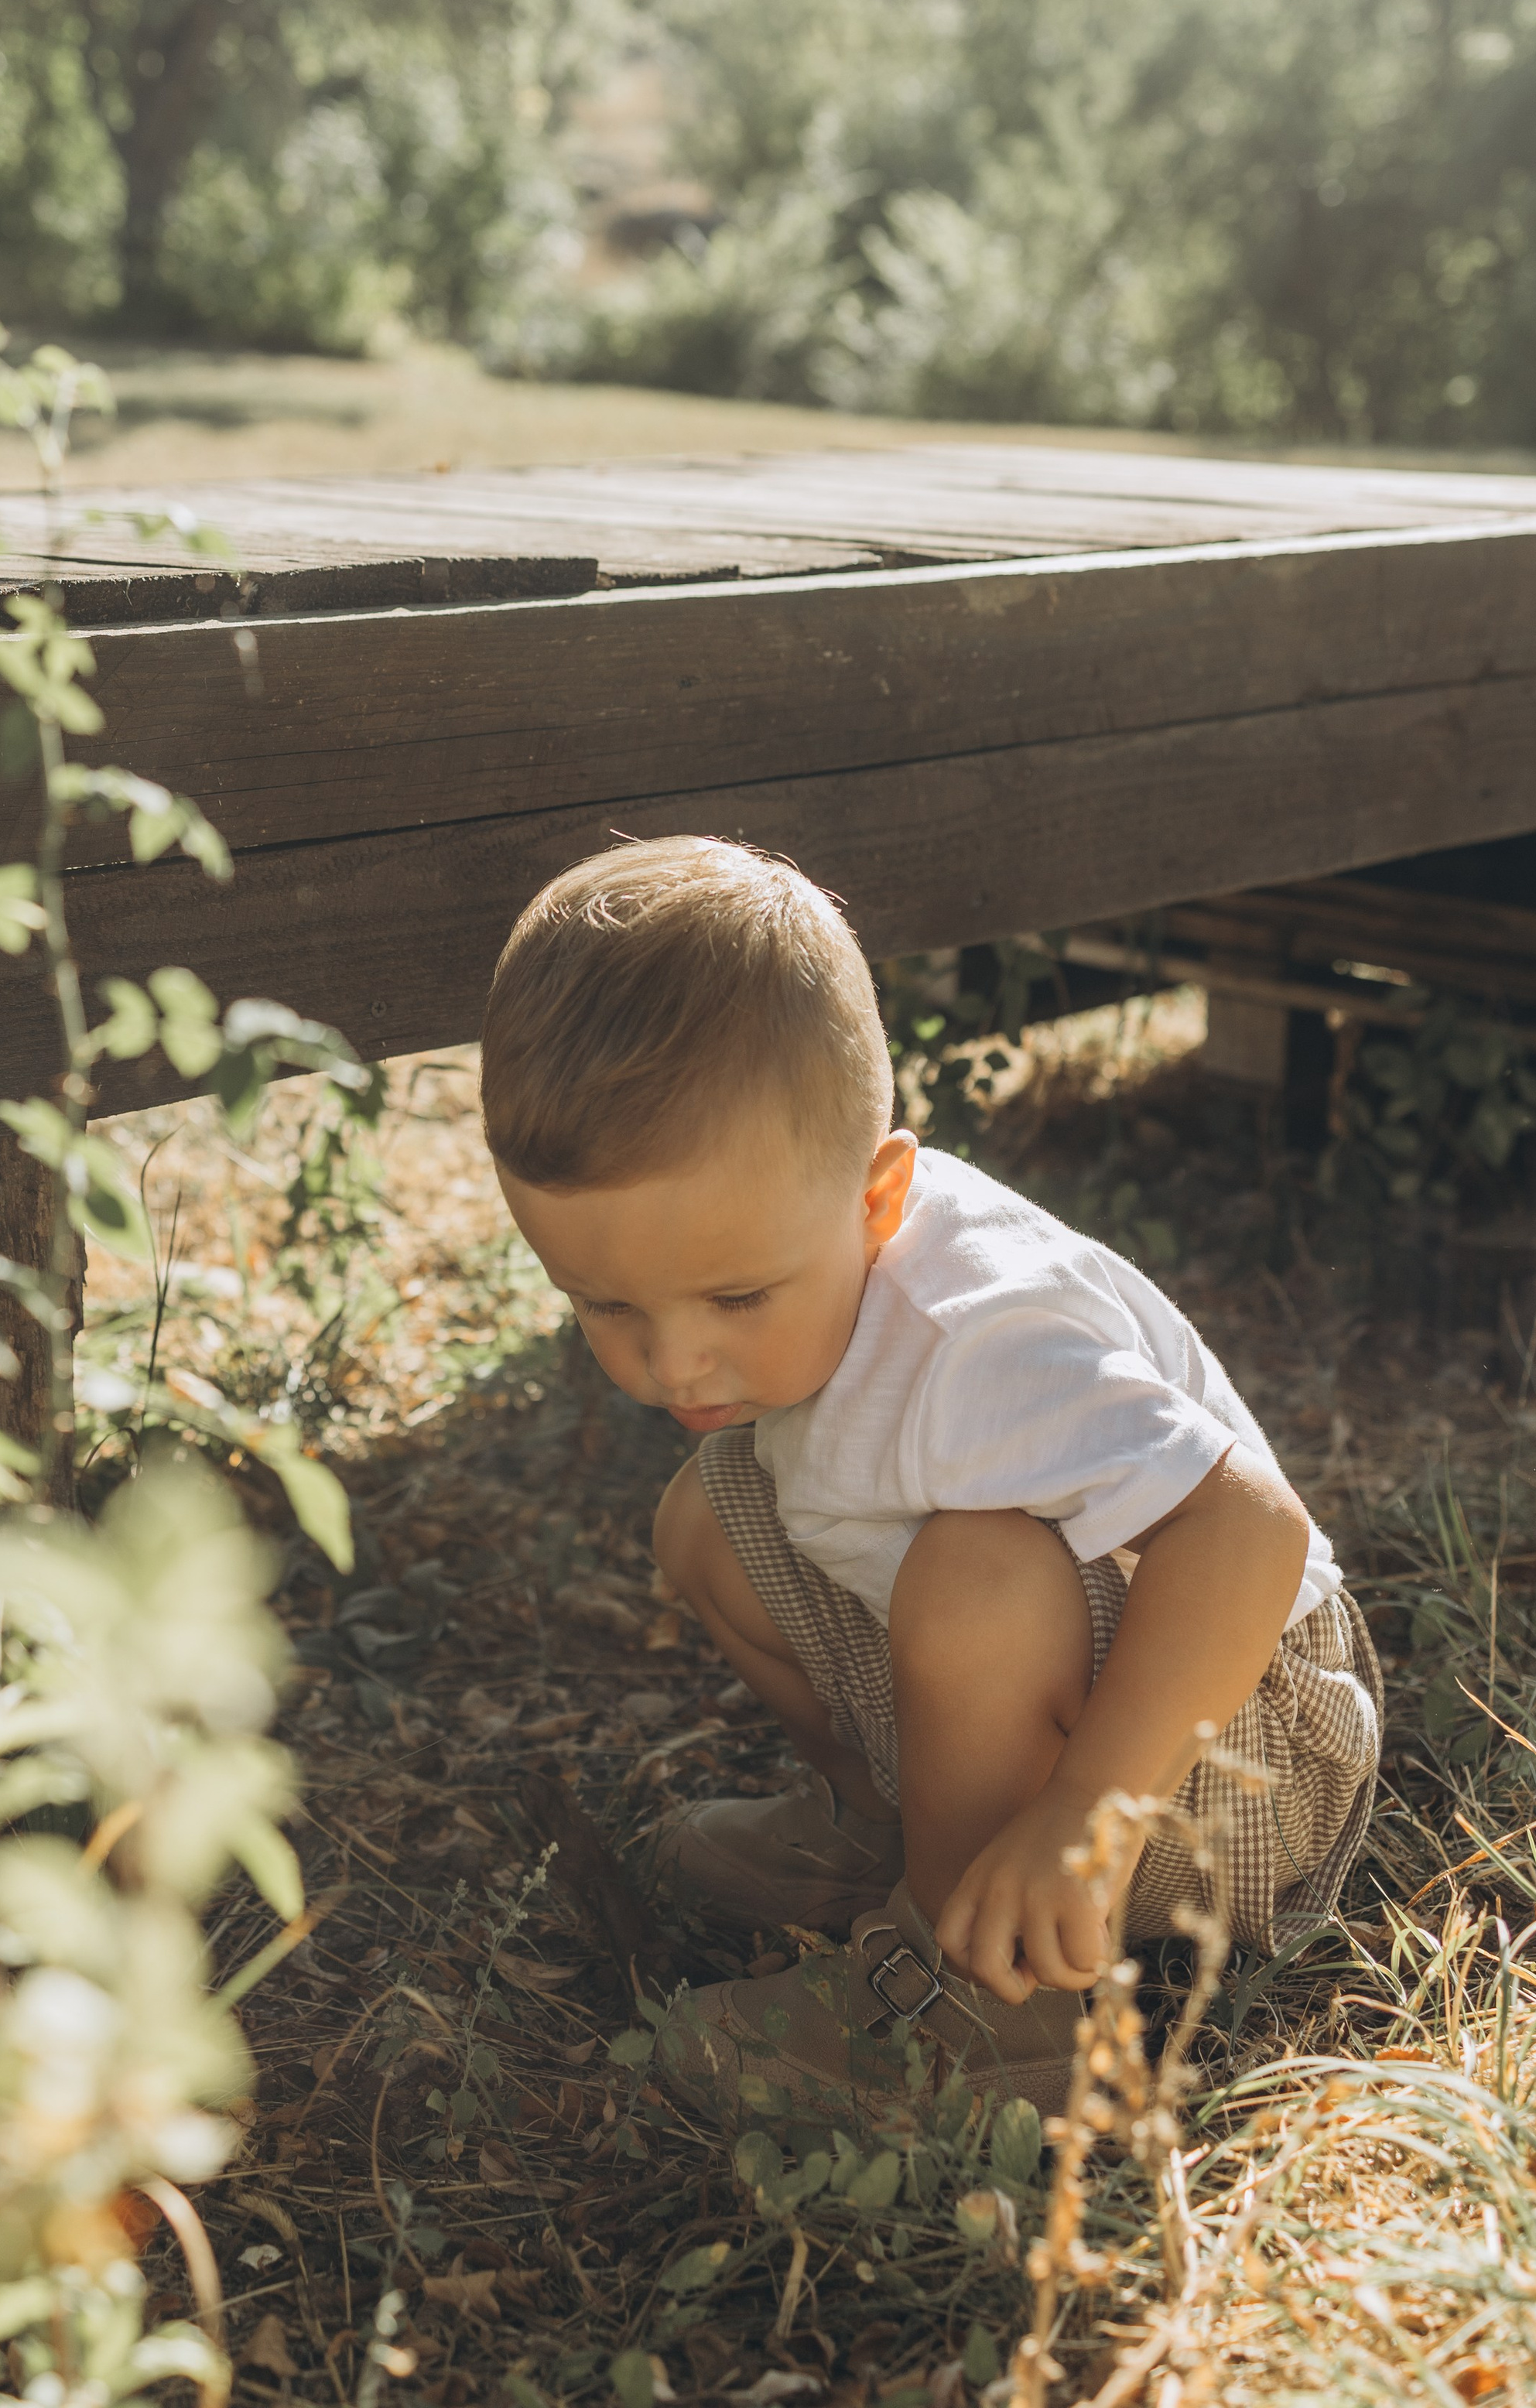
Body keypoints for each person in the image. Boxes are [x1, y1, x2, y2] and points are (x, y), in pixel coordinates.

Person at [481, 835, 1382, 2127]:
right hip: (1119, 1693)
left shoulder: (984, 1347)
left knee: (979, 1579)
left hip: (1234, 1752)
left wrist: (1086, 1814)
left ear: (877, 1198)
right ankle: (891, 1840)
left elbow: (1250, 1539)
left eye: (737, 1295)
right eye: (603, 1301)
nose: (672, 1359)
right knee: (710, 1519)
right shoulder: (803, 1257)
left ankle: (984, 2016)